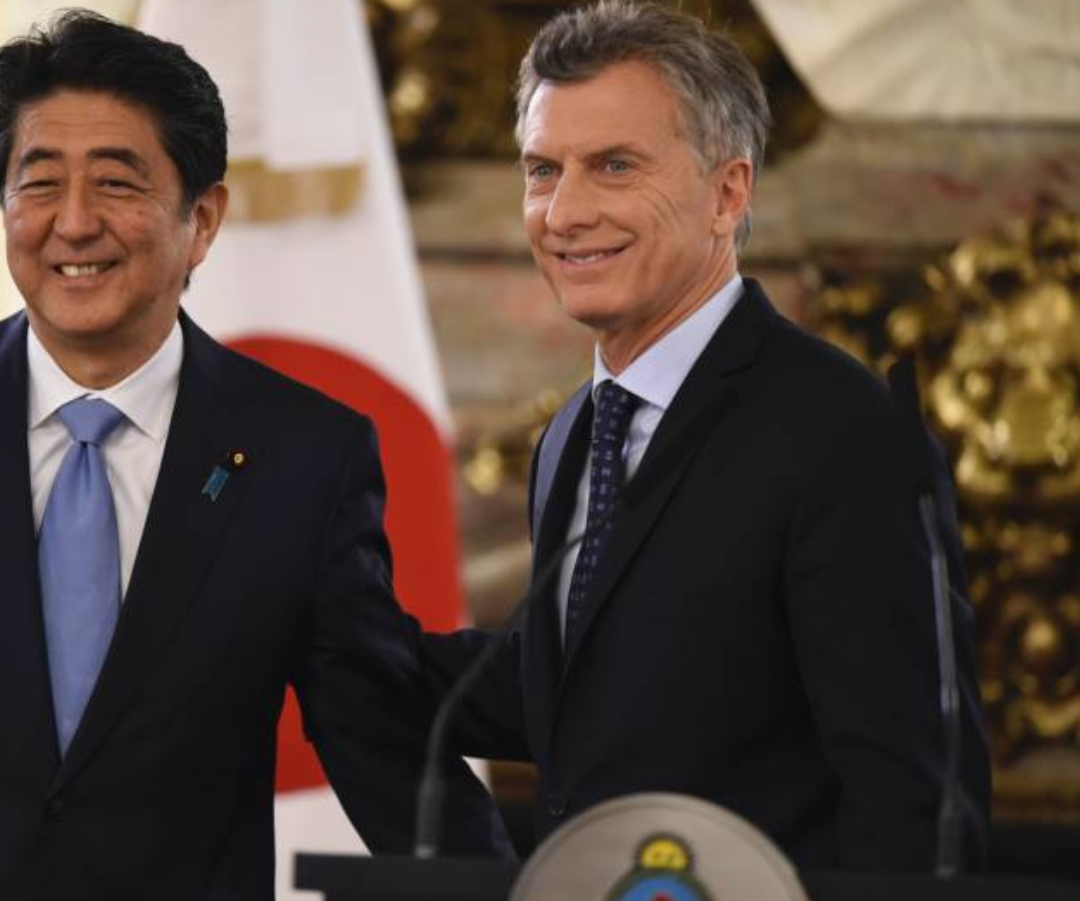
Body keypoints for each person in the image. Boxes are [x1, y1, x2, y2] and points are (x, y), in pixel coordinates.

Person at [0, 12, 510, 900]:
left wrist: (508, 890)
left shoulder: (303, 456)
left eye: (115, 182)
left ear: (202, 220)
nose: (73, 222)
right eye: (38, 183)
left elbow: (382, 740)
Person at [418, 0, 990, 871]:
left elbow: (913, 794)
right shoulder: (573, 432)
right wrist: (323, 625)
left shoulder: (846, 433)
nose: (563, 212)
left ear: (728, 193)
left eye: (614, 166)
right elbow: (584, 693)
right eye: (542, 170)